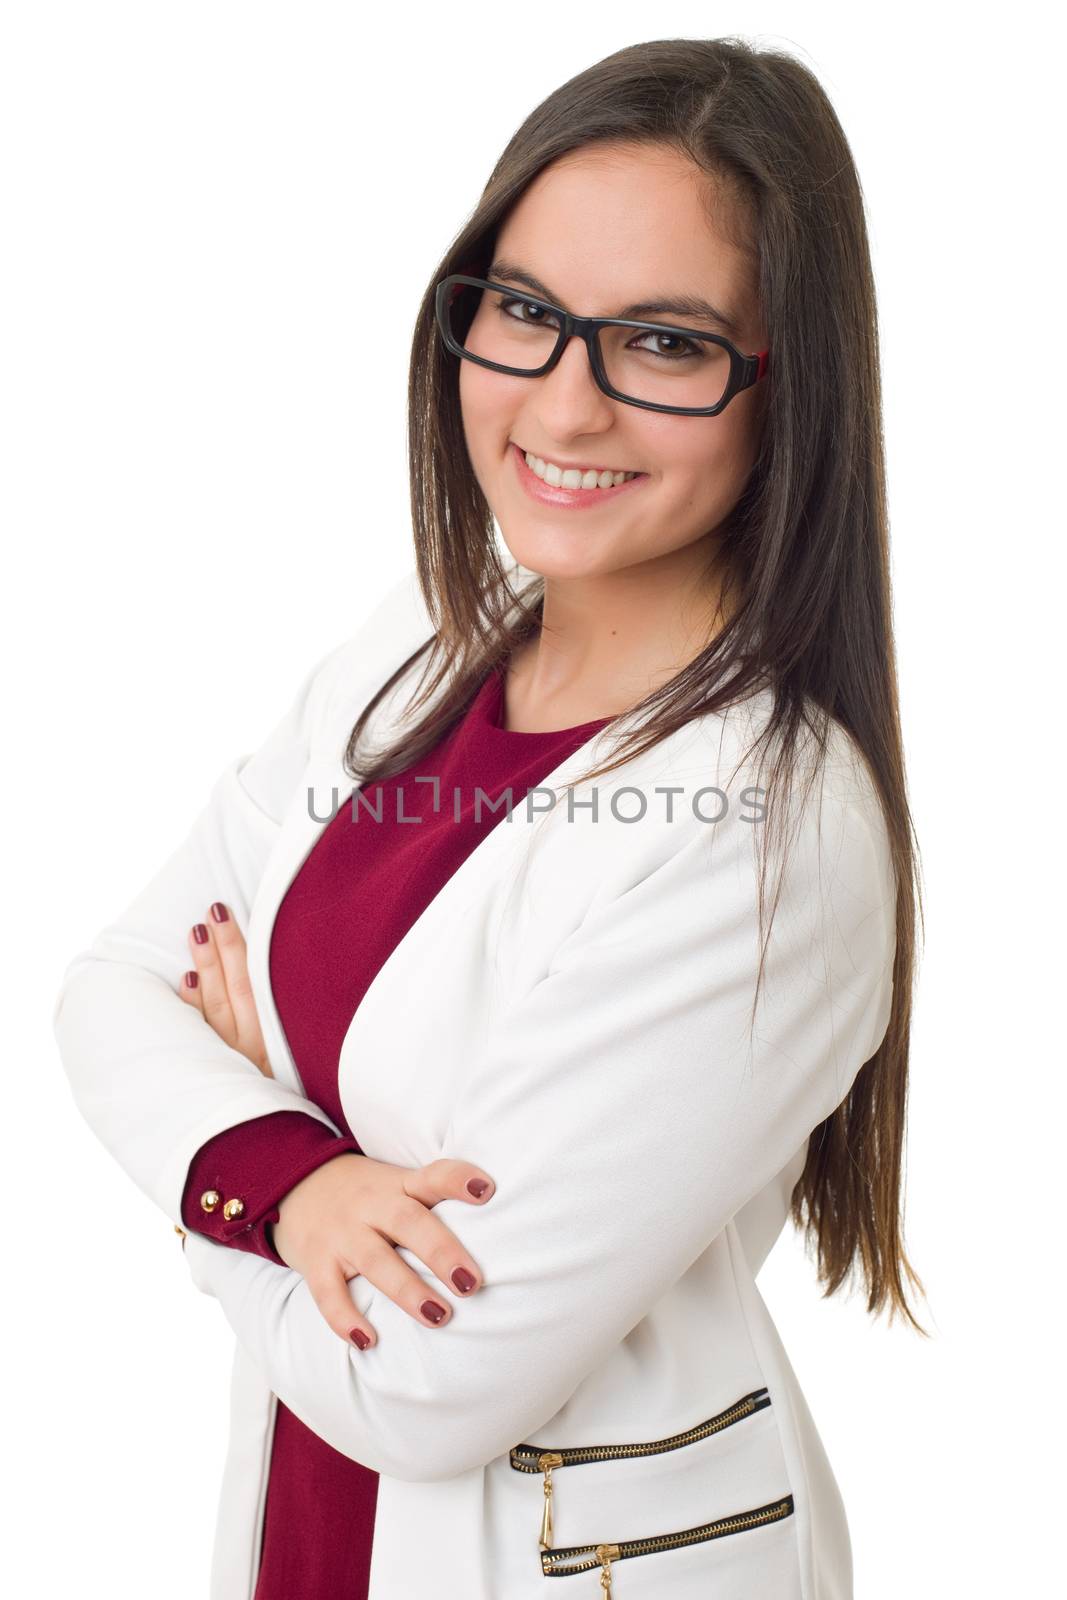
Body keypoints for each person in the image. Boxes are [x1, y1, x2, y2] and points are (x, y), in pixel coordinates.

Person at [52, 35, 925, 1600]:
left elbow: (429, 1384)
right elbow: (111, 986)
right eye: (523, 313)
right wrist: (303, 1186)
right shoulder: (423, 643)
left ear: (787, 377)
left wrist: (233, 1173)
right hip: (313, 1534)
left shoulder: (769, 833)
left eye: (661, 343)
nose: (562, 407)